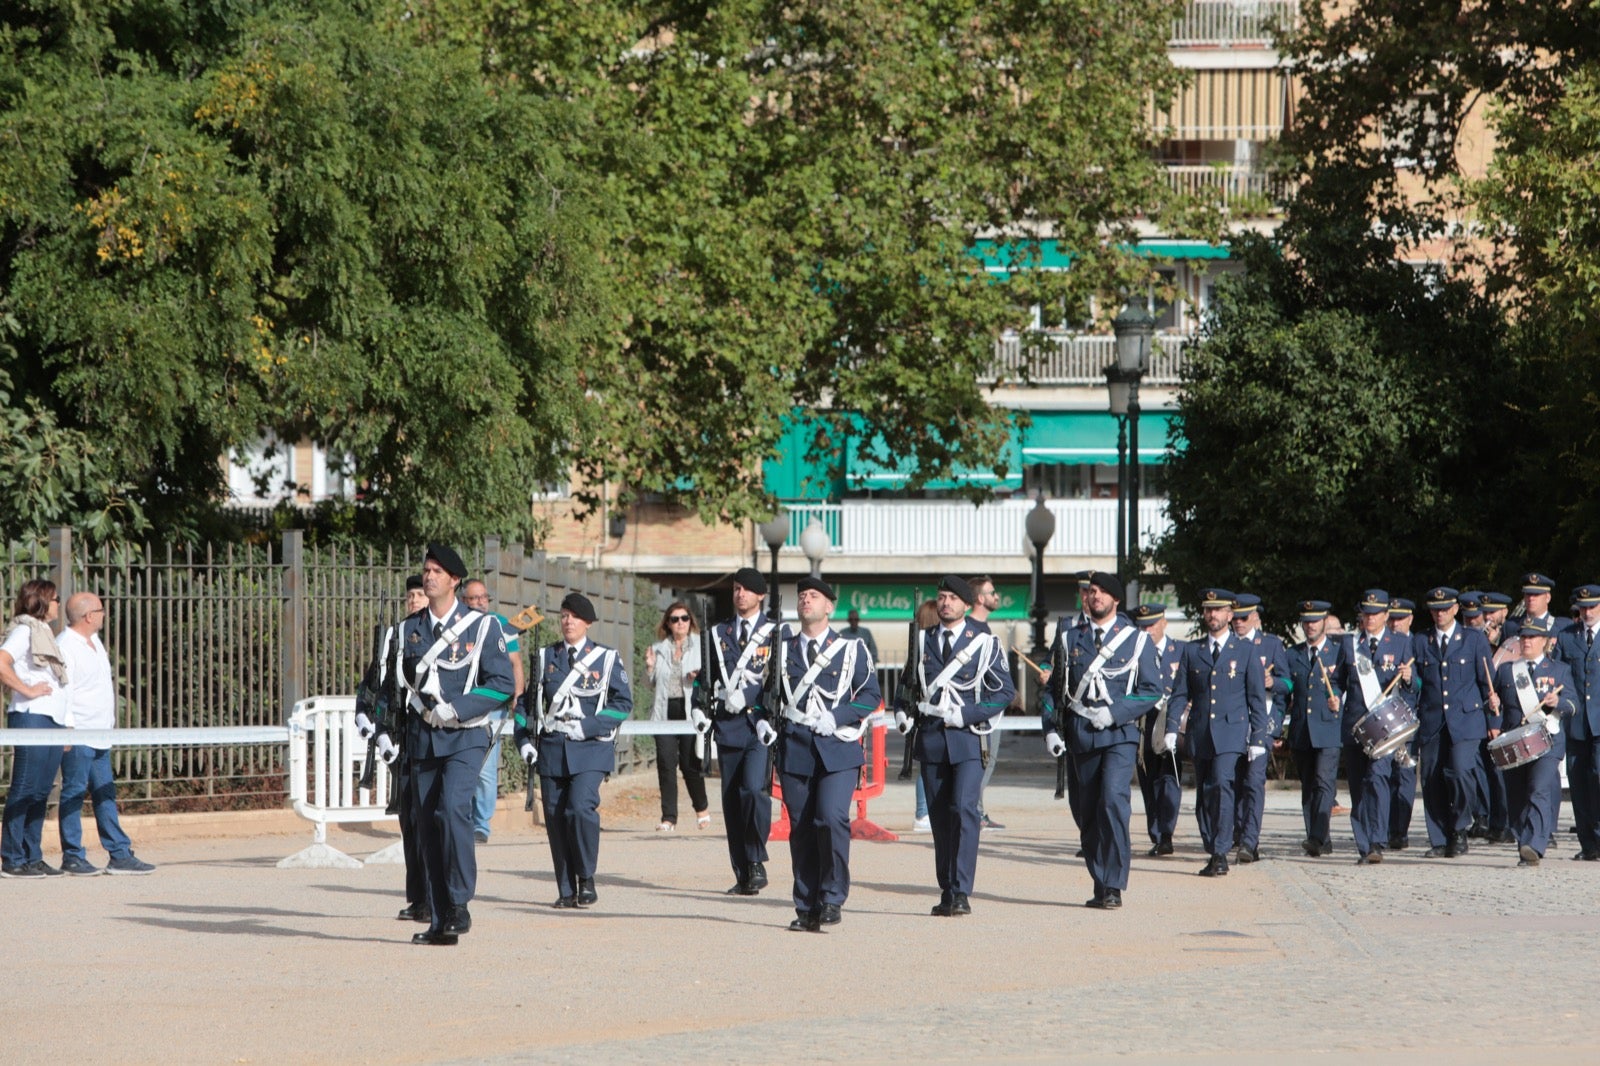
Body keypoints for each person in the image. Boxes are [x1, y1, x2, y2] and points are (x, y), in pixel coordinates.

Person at [387, 544, 515, 945]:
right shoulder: (409, 630)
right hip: (423, 737)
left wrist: (457, 708)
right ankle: (441, 921)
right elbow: (394, 687)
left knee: (453, 808)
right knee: (426, 825)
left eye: (438, 571)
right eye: (426, 570)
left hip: (465, 736)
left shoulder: (482, 627)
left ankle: (459, 903)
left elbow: (503, 685)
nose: (429, 577)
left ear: (455, 580)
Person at [895, 576, 1014, 916]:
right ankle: (947, 888)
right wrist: (902, 714)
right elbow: (906, 688)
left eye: (952, 598)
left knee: (964, 811)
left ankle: (961, 891)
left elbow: (1004, 692)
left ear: (966, 604)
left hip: (967, 739)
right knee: (940, 819)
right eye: (941, 597)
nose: (945, 603)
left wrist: (968, 713)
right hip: (932, 739)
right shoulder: (922, 640)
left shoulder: (984, 643)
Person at [1042, 571, 1161, 908]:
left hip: (1119, 735)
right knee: (1087, 812)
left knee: (1112, 800)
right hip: (1080, 734)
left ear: (1116, 600)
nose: (1095, 597)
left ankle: (1113, 885)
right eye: (1091, 592)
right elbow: (1054, 691)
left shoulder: (1136, 641)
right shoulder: (1069, 638)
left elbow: (1152, 690)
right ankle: (1100, 879)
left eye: (1101, 592)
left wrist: (1117, 713)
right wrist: (1050, 728)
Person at [769, 576, 881, 931]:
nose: (806, 601)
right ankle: (807, 905)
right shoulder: (782, 648)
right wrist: (761, 720)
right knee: (801, 828)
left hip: (838, 747)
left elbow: (868, 695)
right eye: (802, 596)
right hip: (796, 746)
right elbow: (765, 696)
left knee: (831, 818)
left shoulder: (852, 649)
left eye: (814, 596)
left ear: (829, 607)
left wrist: (838, 716)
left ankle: (832, 897)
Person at [517, 591, 632, 910]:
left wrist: (590, 726)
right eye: (564, 615)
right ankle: (567, 889)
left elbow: (623, 704)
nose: (568, 621)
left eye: (575, 617)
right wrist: (524, 740)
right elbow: (526, 706)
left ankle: (587, 878)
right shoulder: (544, 657)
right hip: (552, 749)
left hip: (591, 749)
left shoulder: (606, 659)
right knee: (555, 819)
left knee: (579, 809)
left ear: (588, 623)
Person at [1166, 588, 1267, 878]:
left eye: (1219, 610)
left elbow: (1256, 699)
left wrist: (1258, 737)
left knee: (1223, 785)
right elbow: (1179, 694)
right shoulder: (1192, 651)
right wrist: (1172, 727)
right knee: (1205, 794)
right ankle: (1213, 846)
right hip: (1200, 733)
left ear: (1229, 614)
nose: (1213, 615)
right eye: (1208, 610)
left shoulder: (1246, 651)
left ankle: (1221, 851)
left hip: (1232, 733)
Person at [56, 592, 155, 876]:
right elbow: (66, 689)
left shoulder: (94, 642)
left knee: (104, 792)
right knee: (74, 792)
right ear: (88, 616)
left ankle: (119, 853)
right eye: (100, 610)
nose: (103, 615)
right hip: (79, 734)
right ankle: (73, 856)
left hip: (100, 733)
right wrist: (68, 730)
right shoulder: (66, 646)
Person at [698, 567, 779, 896]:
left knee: (754, 791)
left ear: (760, 595)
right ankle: (743, 871)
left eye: (747, 589)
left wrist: (757, 704)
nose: (740, 594)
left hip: (759, 726)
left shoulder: (776, 633)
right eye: (736, 588)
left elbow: (776, 681)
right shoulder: (719, 634)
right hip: (728, 725)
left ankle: (757, 859)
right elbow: (706, 677)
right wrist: (698, 709)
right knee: (731, 801)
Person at [1330, 589, 1415, 865]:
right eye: (1366, 613)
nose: (1370, 618)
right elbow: (1338, 680)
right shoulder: (1349, 645)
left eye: (1375, 613)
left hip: (1386, 727)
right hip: (1356, 725)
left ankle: (1377, 840)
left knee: (1377, 778)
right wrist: (1332, 695)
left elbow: (1416, 686)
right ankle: (1364, 844)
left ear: (1386, 616)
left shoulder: (1400, 643)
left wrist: (1409, 678)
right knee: (1358, 787)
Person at [1412, 585, 1493, 859]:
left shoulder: (1473, 640)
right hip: (1433, 718)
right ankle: (1439, 838)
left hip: (1466, 719)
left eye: (1445, 608)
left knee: (1459, 772)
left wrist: (1494, 719)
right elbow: (1416, 683)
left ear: (1456, 609)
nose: (1440, 614)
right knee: (1431, 778)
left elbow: (1487, 683)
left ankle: (1459, 827)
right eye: (1435, 609)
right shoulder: (1421, 641)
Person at [0, 578, 69, 878]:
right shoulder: (25, 630)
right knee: (25, 788)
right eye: (55, 599)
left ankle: (32, 855)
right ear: (41, 601)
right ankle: (12, 857)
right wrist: (26, 690)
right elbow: (1, 662)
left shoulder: (45, 634)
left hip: (51, 719)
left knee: (41, 790)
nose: (58, 604)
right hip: (30, 716)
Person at [1492, 617, 1575, 866]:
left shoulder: (1559, 670)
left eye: (1532, 637)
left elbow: (1573, 704)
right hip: (1515, 745)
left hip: (1547, 742)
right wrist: (1492, 706)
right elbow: (1494, 705)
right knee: (1517, 796)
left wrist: (1556, 703)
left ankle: (1535, 844)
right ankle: (1523, 843)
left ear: (1546, 642)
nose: (1527, 641)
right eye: (1524, 637)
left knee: (1538, 789)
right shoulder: (1507, 670)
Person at [461, 579, 525, 844]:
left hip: (494, 706)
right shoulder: (458, 622)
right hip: (462, 706)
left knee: (486, 769)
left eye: (483, 597)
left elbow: (515, 663)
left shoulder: (500, 624)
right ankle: (461, 819)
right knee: (463, 766)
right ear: (464, 600)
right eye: (473, 598)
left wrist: (518, 696)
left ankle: (481, 825)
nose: (479, 602)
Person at [1229, 592, 1290, 864]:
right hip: (1230, 724)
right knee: (1232, 783)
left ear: (1255, 616)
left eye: (1244, 617)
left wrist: (1271, 683)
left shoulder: (1271, 645)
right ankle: (1237, 832)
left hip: (1260, 723)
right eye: (1235, 617)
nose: (1238, 622)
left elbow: (1288, 685)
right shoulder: (1227, 644)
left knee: (1254, 783)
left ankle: (1249, 842)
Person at [646, 601, 710, 832]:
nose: (680, 623)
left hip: (690, 711)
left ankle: (701, 808)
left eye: (684, 618)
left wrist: (699, 675)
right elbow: (649, 684)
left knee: (689, 764)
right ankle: (669, 817)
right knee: (665, 764)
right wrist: (650, 668)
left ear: (690, 621)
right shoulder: (658, 648)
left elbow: (711, 679)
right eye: (675, 619)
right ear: (668, 624)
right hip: (664, 712)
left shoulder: (701, 646)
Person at [1287, 600, 1341, 856]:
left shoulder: (1338, 652)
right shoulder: (1293, 654)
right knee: (1309, 785)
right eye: (1306, 621)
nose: (1310, 626)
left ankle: (1318, 837)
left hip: (1329, 729)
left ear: (1324, 621)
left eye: (1315, 621)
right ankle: (1318, 838)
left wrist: (1340, 698)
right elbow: (1286, 691)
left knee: (1324, 781)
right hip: (1301, 730)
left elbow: (1351, 685)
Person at [1132, 603, 1184, 857]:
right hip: (1144, 725)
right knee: (1148, 781)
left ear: (1163, 622)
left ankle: (1166, 834)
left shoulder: (1180, 651)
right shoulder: (1133, 652)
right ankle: (1156, 833)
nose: (1147, 630)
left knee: (1169, 780)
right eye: (1142, 626)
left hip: (1173, 725)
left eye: (1151, 624)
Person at [1555, 584, 1600, 861]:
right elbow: (1558, 674)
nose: (1587, 612)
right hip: (1575, 721)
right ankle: (1589, 844)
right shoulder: (1566, 637)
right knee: (1578, 783)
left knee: (1598, 775)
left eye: (1593, 606)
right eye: (1583, 607)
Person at [967, 574, 1007, 831]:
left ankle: (976, 810)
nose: (996, 596)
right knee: (984, 761)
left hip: (990, 706)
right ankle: (975, 812)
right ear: (980, 598)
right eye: (992, 592)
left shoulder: (983, 629)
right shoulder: (974, 630)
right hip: (983, 710)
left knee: (986, 762)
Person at [1386, 597, 1422, 850]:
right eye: (1392, 618)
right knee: (1384, 775)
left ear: (1410, 618)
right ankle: (1384, 827)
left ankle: (1399, 830)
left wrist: (1411, 680)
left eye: (1400, 618)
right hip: (1385, 718)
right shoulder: (1382, 644)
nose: (1395, 623)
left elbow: (1426, 683)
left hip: (1409, 717)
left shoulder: (1417, 644)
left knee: (1404, 776)